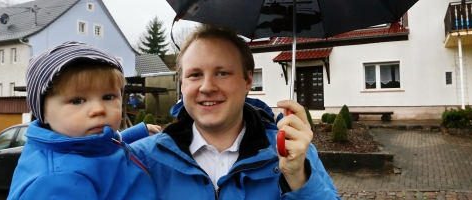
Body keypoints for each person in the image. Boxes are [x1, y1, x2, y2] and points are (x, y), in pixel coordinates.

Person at [130, 24, 341, 199]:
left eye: (222, 73)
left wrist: (297, 178)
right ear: (182, 85)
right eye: (195, 75)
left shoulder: (293, 152)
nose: (207, 87)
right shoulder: (141, 160)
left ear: (248, 80)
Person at [8, 42, 158, 200]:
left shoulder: (79, 142)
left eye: (108, 97)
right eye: (77, 101)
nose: (98, 109)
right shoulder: (57, 182)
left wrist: (137, 132)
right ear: (43, 113)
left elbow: (104, 144)